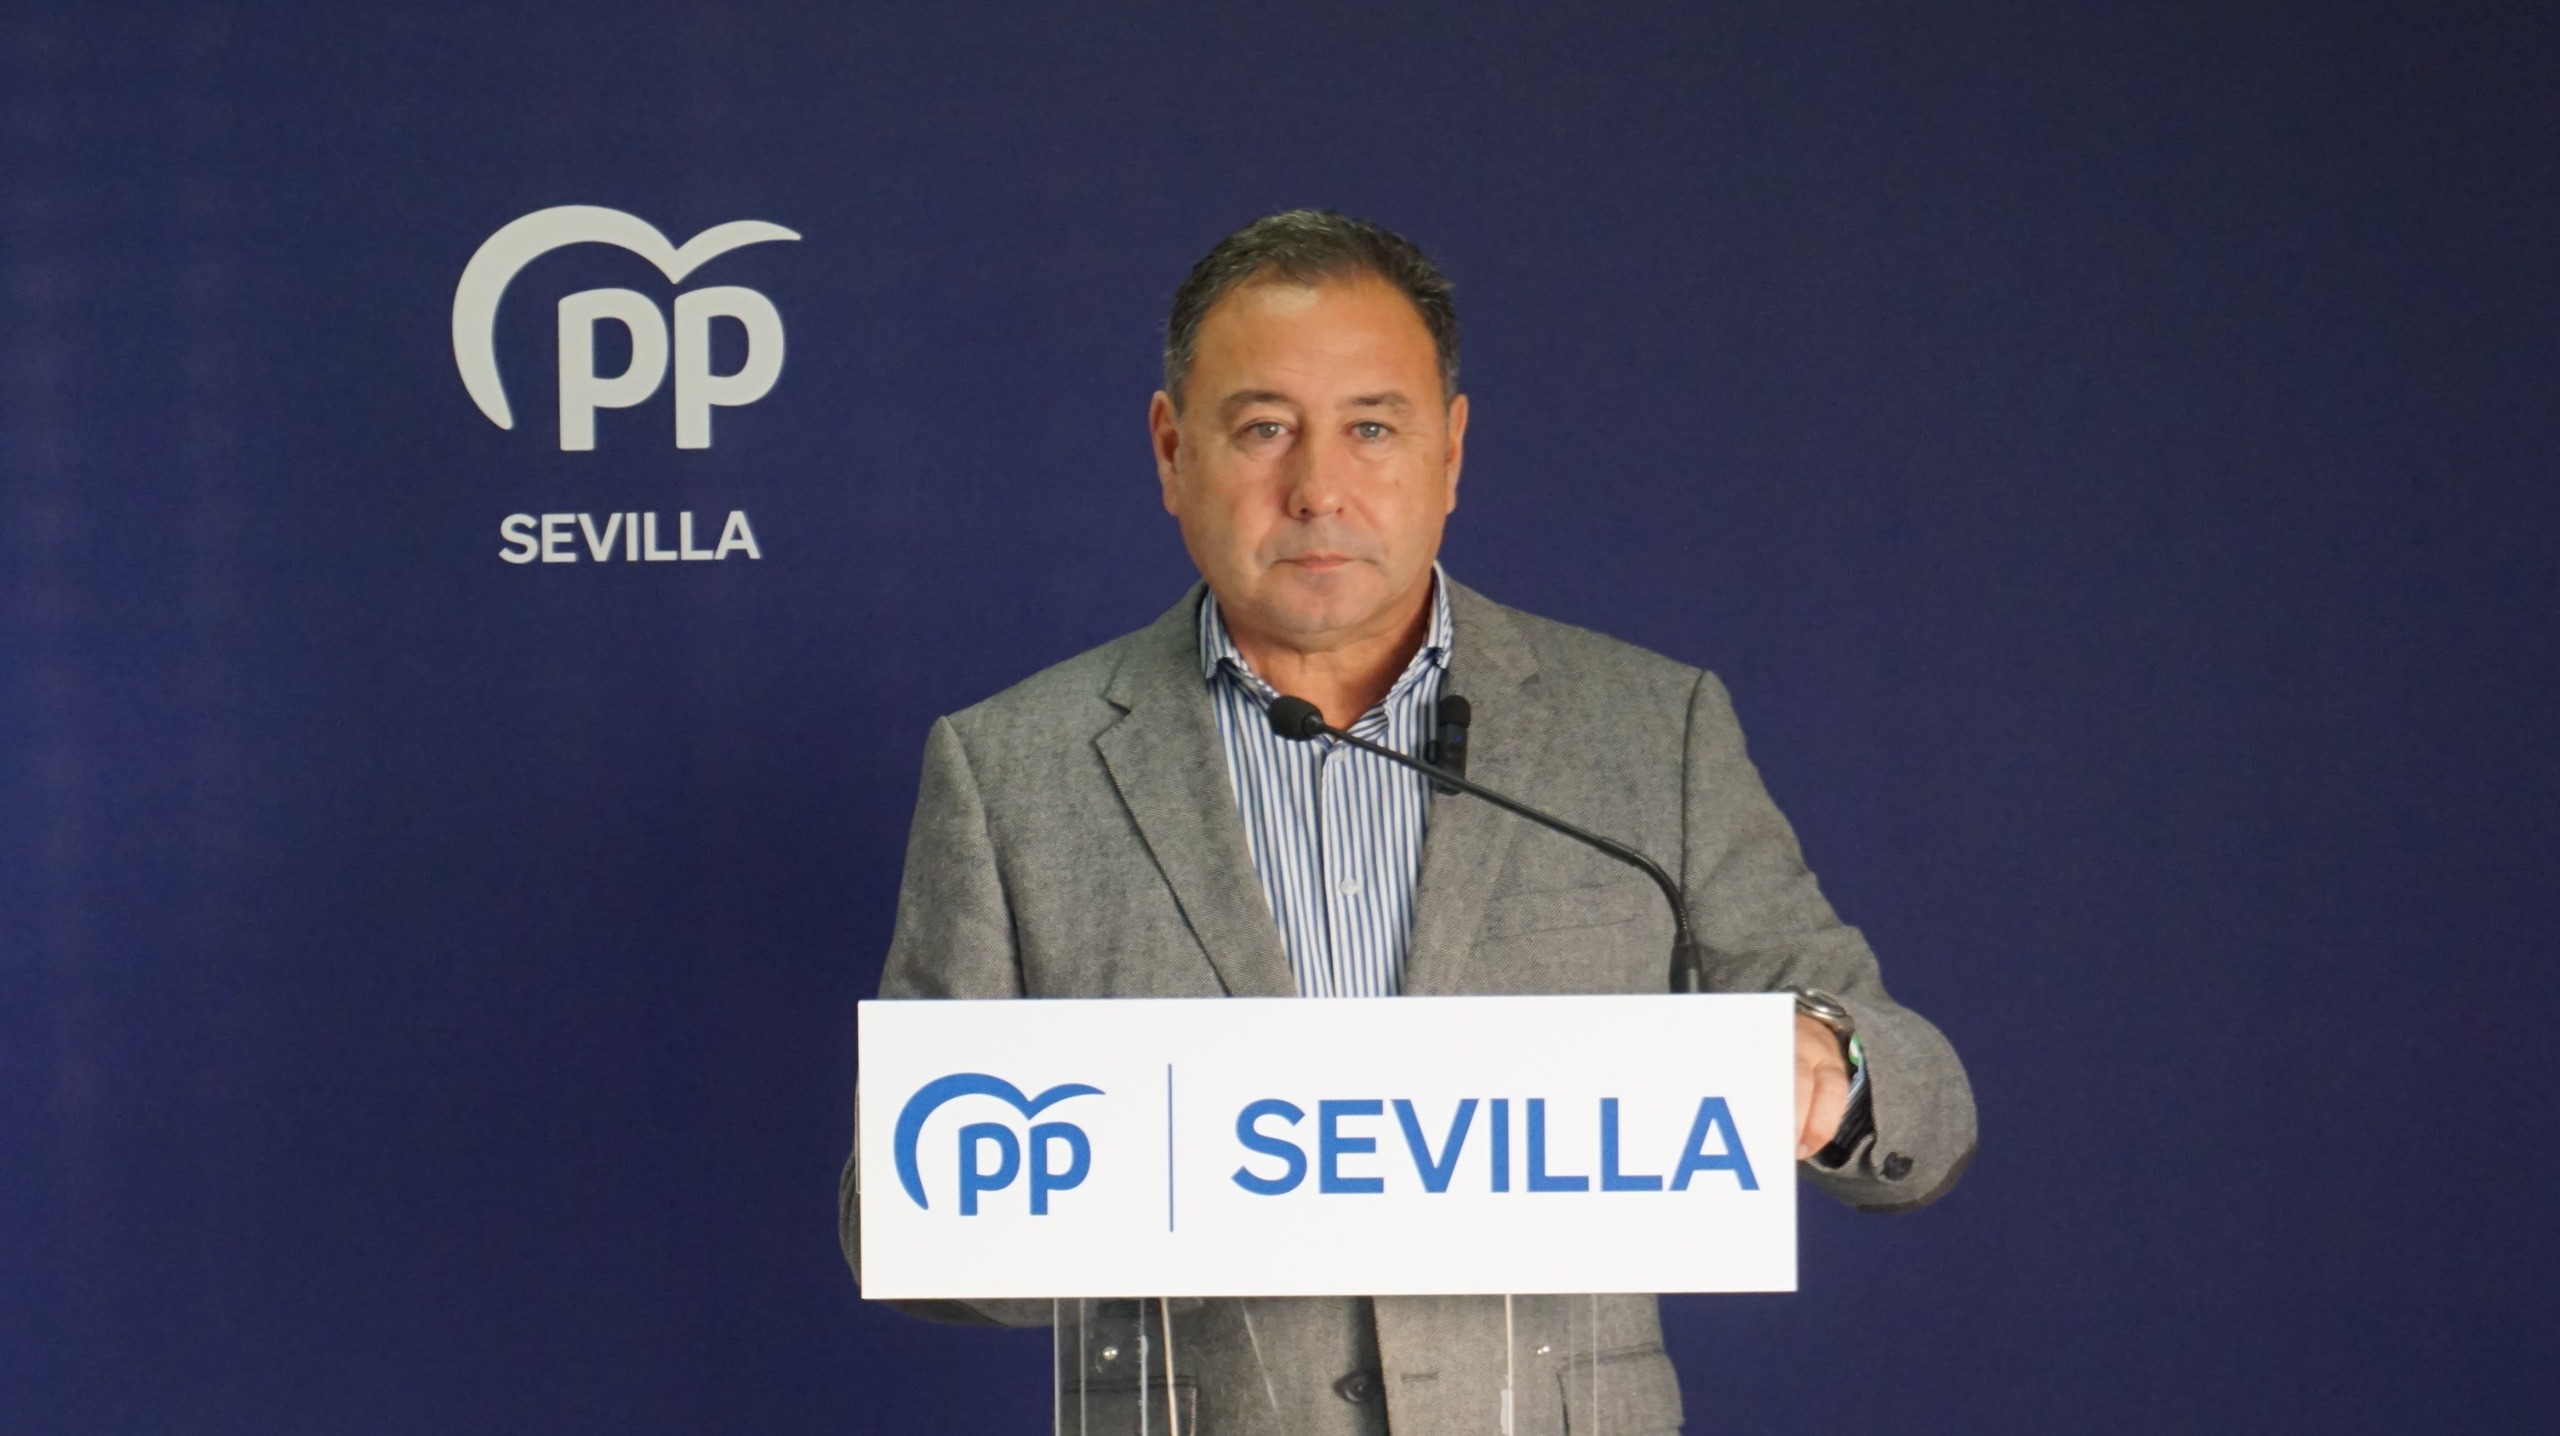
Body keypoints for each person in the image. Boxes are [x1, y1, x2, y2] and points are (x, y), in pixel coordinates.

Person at [841, 210, 1976, 1436]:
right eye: (1264, 428)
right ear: (1171, 450)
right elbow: (896, 1213)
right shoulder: (1011, 766)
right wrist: (1104, 1189)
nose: (1318, 488)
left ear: (1451, 452)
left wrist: (1830, 1064)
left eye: (1371, 428)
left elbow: (1920, 1100)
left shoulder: (1651, 729)